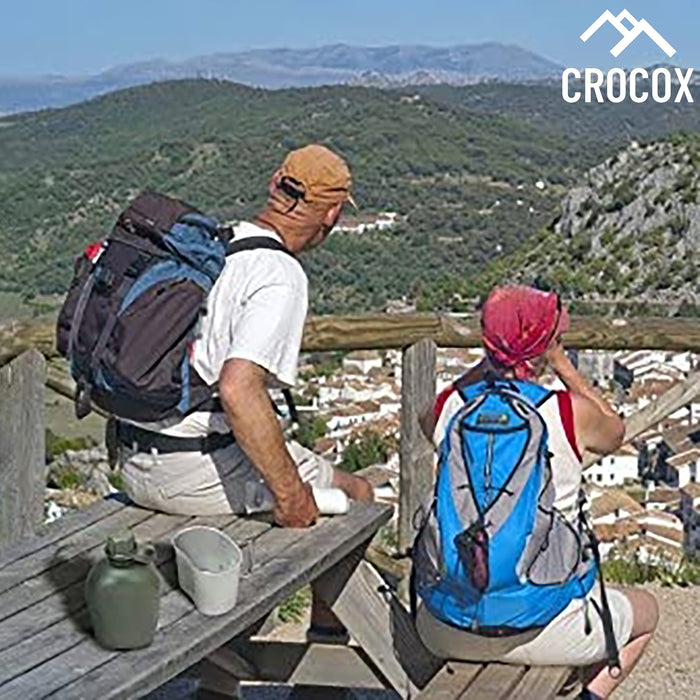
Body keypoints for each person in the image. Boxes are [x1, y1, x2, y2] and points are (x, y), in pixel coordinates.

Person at [416, 286, 658, 700]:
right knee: (647, 612)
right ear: (546, 342)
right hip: (548, 629)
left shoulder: (453, 410)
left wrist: (490, 360)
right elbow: (615, 431)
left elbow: (428, 416)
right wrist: (561, 362)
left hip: (445, 627)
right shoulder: (565, 411)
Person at [117, 144, 373, 529]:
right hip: (192, 475)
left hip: (131, 461)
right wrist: (291, 498)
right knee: (359, 493)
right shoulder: (278, 273)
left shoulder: (216, 245)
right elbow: (238, 389)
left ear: (274, 184)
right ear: (332, 214)